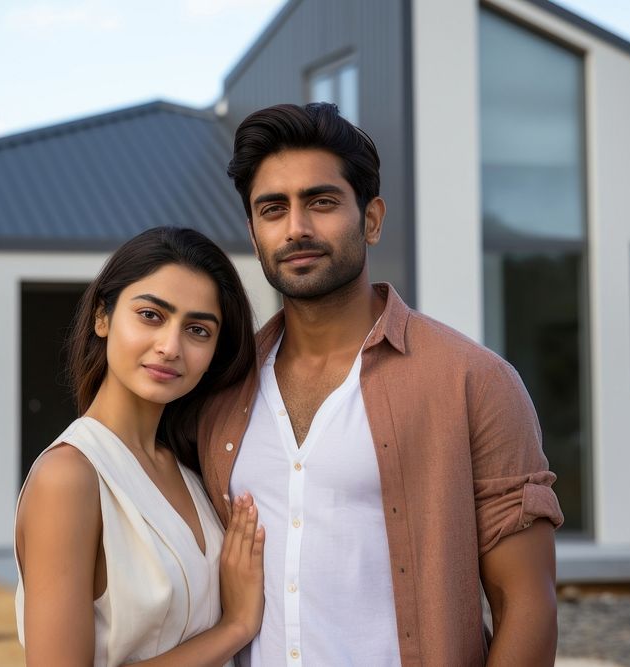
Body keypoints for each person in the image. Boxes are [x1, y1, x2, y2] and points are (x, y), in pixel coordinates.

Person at [197, 103, 565, 666]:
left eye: (321, 202)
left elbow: (527, 605)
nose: (296, 228)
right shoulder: (221, 390)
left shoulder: (474, 381)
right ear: (253, 232)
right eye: (273, 209)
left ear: (370, 218)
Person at [15, 226, 266, 666]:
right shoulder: (69, 477)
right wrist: (236, 627)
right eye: (151, 315)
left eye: (198, 330)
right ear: (102, 317)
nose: (171, 347)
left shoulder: (193, 470)